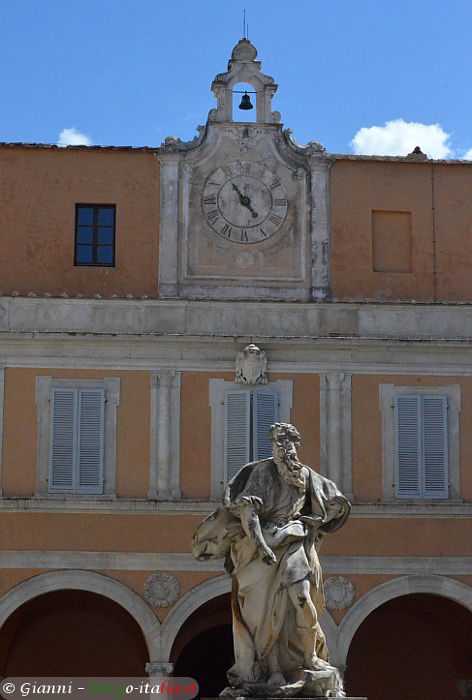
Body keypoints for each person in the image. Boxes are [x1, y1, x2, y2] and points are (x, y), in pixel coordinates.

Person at [192, 422, 351, 696]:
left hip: (295, 544)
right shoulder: (263, 473)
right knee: (265, 614)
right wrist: (262, 547)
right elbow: (248, 512)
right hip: (263, 548)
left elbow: (336, 503)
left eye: (287, 441)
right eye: (278, 442)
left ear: (295, 444)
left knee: (301, 599)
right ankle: (273, 668)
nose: (282, 447)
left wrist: (312, 522)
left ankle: (310, 656)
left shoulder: (307, 476)